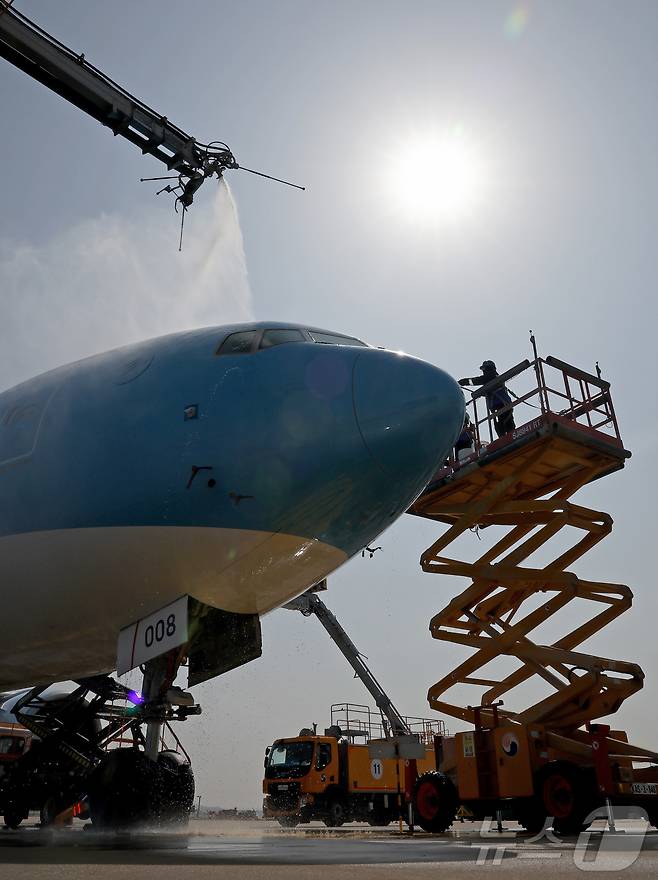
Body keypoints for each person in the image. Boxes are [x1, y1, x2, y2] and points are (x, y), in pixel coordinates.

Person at [459, 360, 515, 438]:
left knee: (505, 424)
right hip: (499, 406)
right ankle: (507, 438)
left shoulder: (491, 376)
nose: (484, 372)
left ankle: (510, 438)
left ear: (490, 369)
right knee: (502, 425)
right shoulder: (492, 380)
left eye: (485, 369)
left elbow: (477, 380)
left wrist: (463, 382)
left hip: (502, 404)